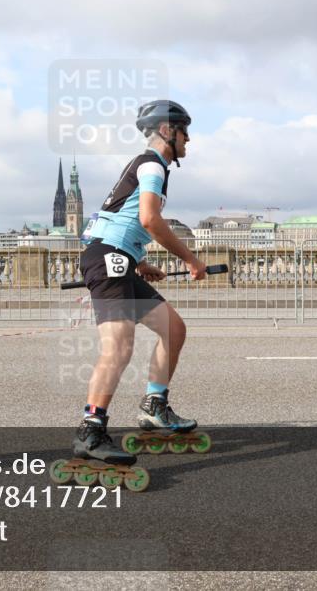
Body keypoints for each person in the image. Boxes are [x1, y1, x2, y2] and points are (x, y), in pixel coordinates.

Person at [73, 100, 206, 465]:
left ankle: (155, 405)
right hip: (108, 260)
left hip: (118, 258)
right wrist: (190, 259)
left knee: (173, 329)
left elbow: (121, 217)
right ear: (167, 130)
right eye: (184, 131)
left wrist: (141, 261)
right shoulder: (151, 165)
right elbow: (149, 219)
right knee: (118, 346)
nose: (188, 139)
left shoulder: (150, 166)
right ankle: (91, 429)